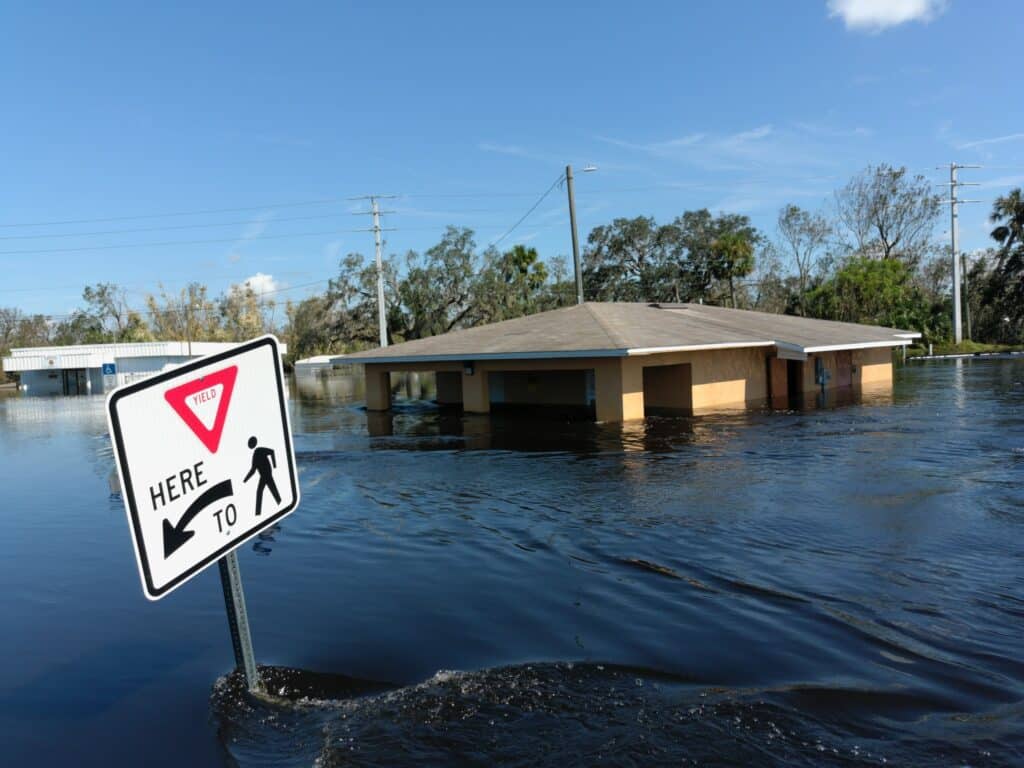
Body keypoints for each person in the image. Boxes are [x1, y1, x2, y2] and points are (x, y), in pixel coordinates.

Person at [243, 436, 280, 516]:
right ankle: (258, 513)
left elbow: (272, 451)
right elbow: (253, 470)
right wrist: (245, 480)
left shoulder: (260, 450)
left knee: (266, 491)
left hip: (267, 474)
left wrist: (274, 465)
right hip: (263, 475)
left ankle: (258, 513)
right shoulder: (255, 455)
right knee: (267, 491)